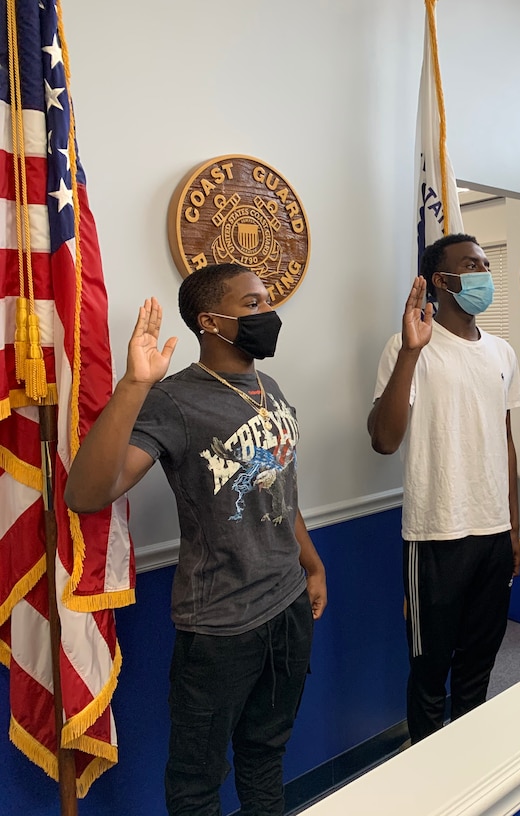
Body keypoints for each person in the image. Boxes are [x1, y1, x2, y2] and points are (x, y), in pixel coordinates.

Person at [65, 263, 327, 816]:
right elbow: (88, 493)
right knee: (196, 781)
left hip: (286, 608)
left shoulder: (268, 388)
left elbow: (280, 485)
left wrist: (311, 562)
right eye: (253, 304)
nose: (269, 314)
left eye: (266, 301)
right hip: (221, 627)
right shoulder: (174, 400)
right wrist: (136, 384)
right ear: (212, 321)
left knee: (264, 754)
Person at [368, 233, 520, 744]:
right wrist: (412, 351)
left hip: (493, 533)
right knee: (430, 671)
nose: (483, 272)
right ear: (441, 280)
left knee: (479, 668)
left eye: (484, 263)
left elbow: (505, 439)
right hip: (436, 533)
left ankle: (470, 767)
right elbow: (384, 439)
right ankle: (429, 778)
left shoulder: (502, 351)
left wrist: (513, 528)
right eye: (471, 264)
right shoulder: (408, 346)